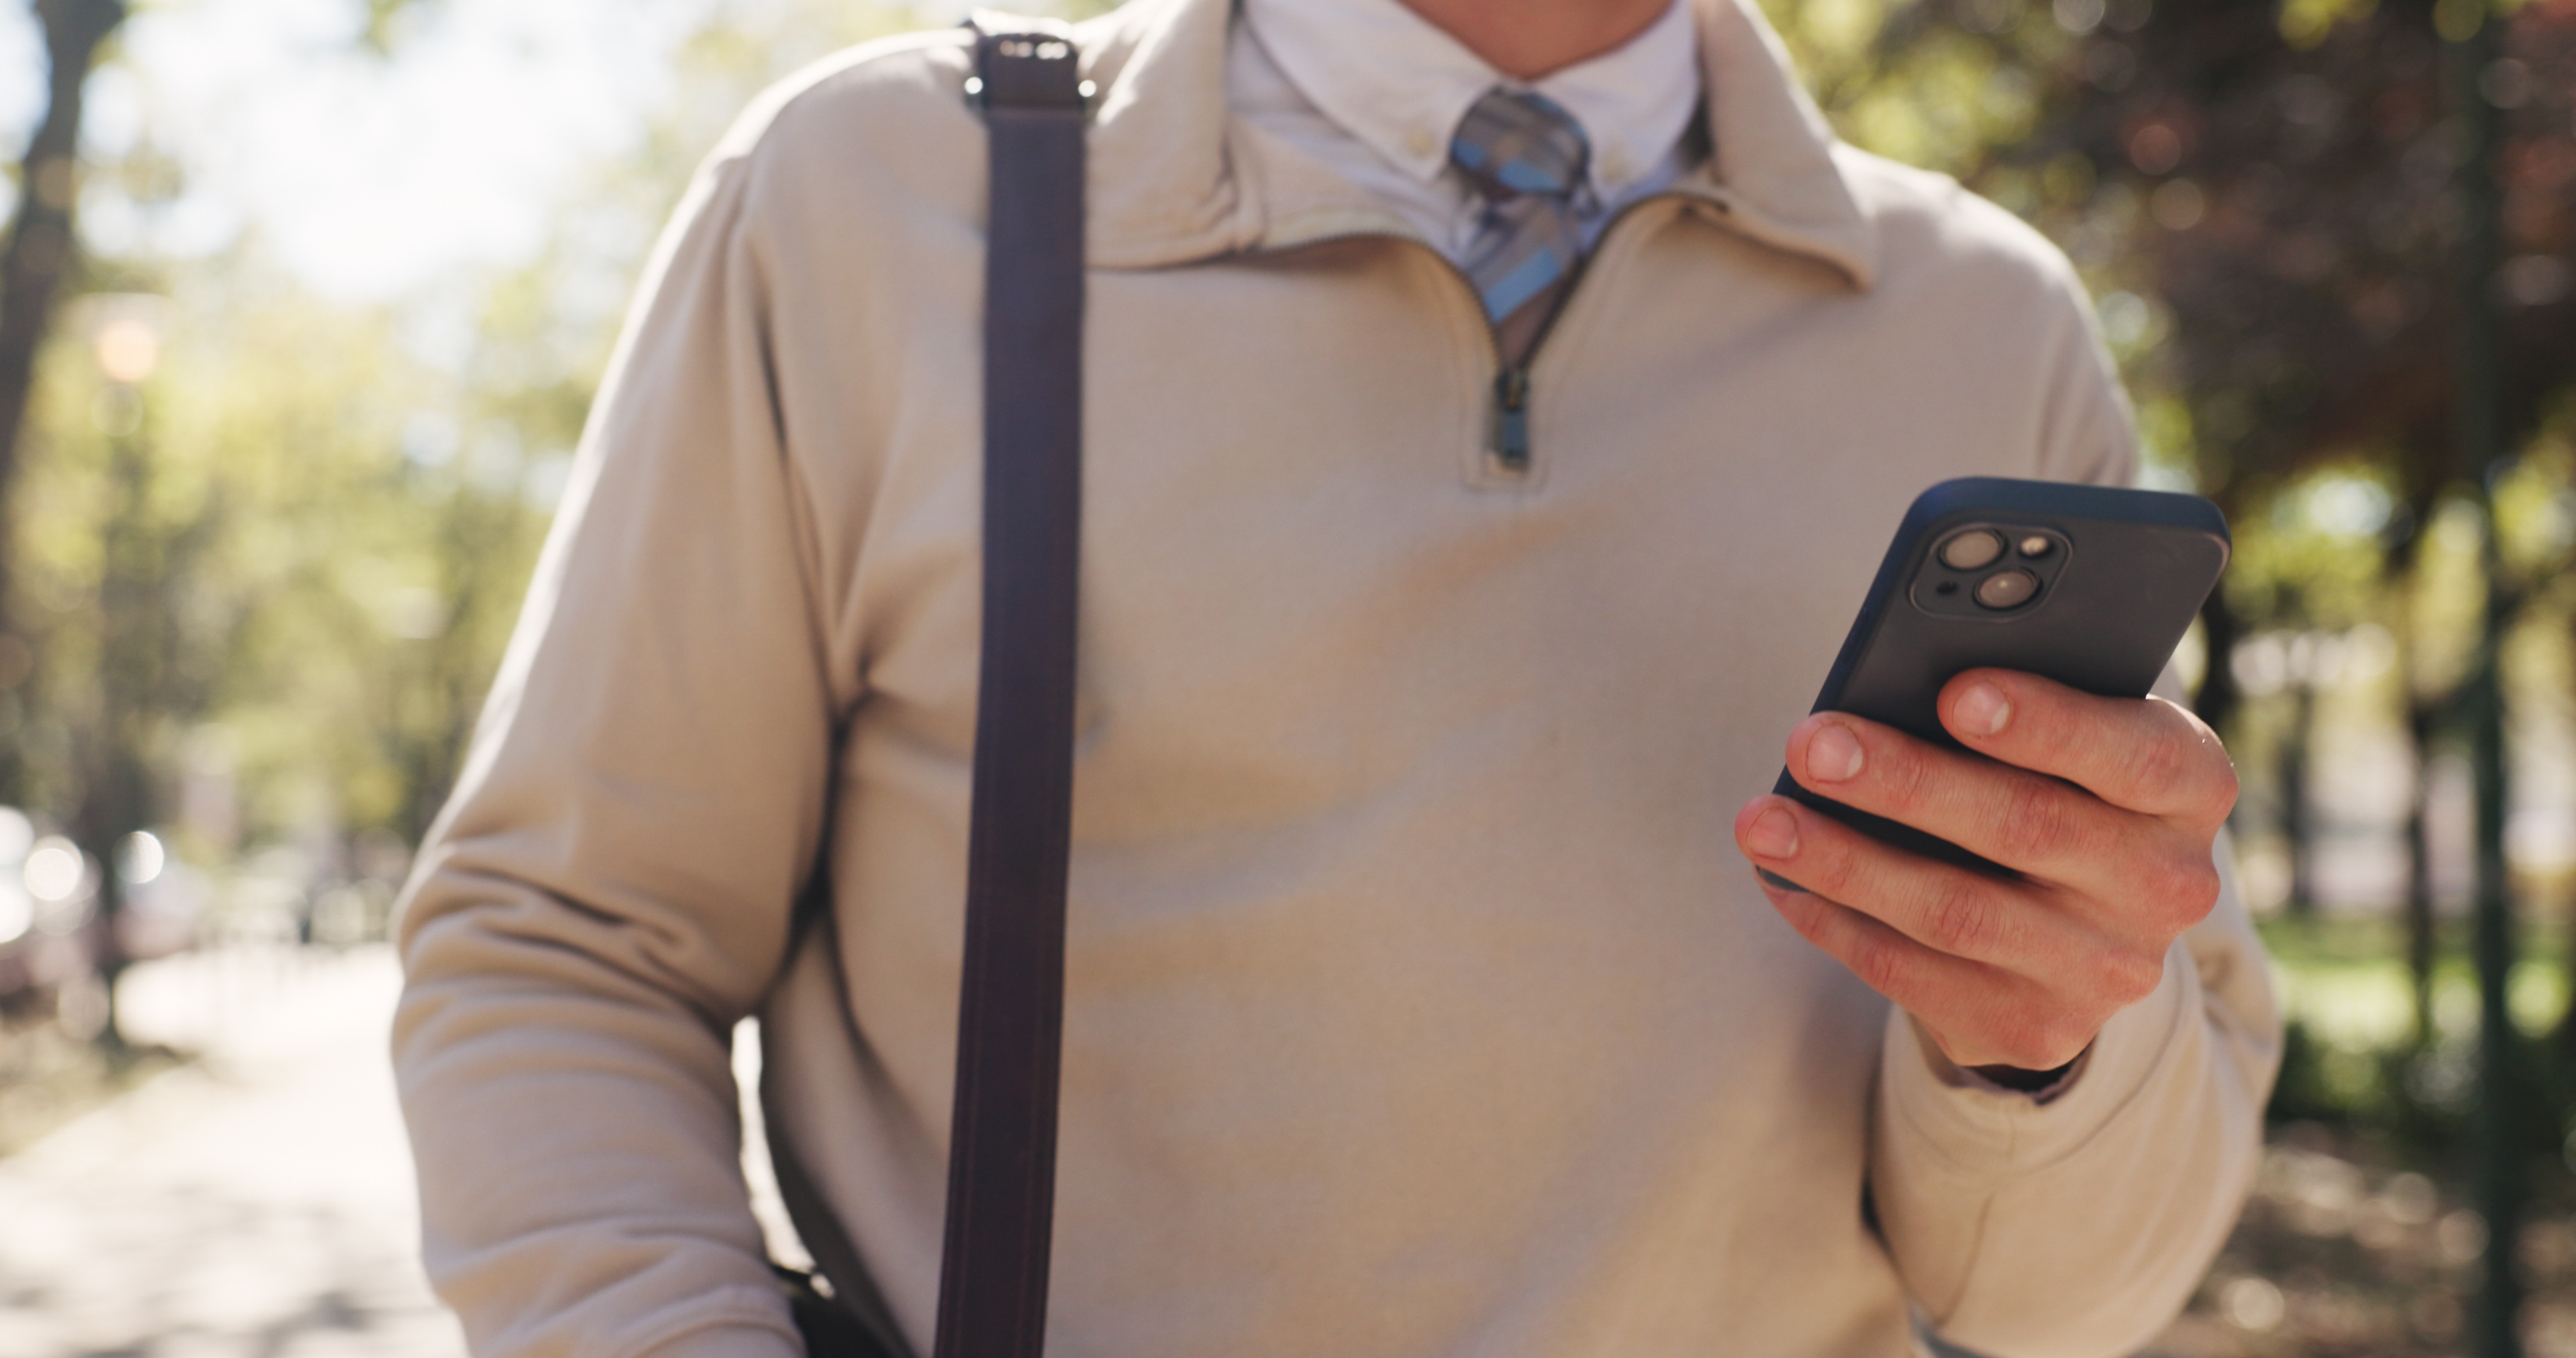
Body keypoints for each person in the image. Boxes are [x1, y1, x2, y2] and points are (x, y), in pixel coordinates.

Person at [391, 0, 2281, 1353]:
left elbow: (2071, 1304)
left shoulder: (1988, 325)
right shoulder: (868, 206)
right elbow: (566, 947)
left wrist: (2038, 1042)